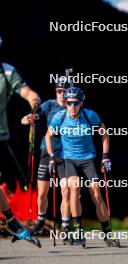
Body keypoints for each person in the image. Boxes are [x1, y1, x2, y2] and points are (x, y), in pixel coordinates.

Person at [45, 86, 119, 246]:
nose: (72, 107)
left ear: (81, 102)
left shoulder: (90, 115)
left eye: (75, 103)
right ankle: (78, 230)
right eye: (69, 103)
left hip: (88, 159)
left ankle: (107, 233)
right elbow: (48, 136)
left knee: (96, 193)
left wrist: (105, 157)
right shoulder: (60, 116)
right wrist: (51, 157)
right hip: (69, 160)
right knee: (74, 190)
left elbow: (104, 134)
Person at [21, 80, 70, 238]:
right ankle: (40, 221)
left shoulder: (74, 106)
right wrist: (29, 119)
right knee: (42, 192)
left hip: (66, 154)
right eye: (59, 91)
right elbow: (24, 119)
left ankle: (65, 225)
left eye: (64, 91)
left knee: (66, 191)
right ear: (56, 92)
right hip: (45, 151)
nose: (61, 94)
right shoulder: (48, 105)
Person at [0, 34, 41, 190]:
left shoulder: (8, 72)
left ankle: (9, 214)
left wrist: (34, 101)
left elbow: (28, 93)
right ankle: (9, 214)